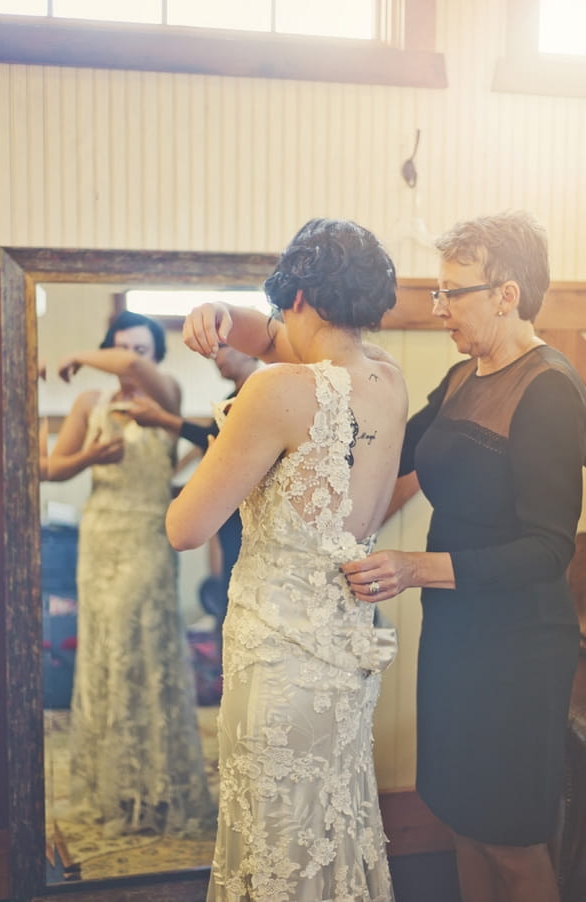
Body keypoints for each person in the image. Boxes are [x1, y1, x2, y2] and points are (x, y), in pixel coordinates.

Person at [341, 211, 586, 902]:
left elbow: (546, 550)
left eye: (453, 292)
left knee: (510, 839)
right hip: (456, 634)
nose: (437, 308)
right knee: (461, 817)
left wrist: (416, 568)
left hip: (517, 648)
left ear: (506, 294)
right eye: (437, 291)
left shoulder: (550, 391)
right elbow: (391, 450)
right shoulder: (460, 376)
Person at [169, 218, 408, 901]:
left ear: (300, 295)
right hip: (341, 658)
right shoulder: (389, 379)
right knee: (329, 830)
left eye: (281, 305)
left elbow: (185, 528)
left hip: (278, 662)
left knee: (274, 844)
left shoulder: (276, 393)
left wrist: (226, 439)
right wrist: (220, 315)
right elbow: (276, 339)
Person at [47, 310, 216, 837]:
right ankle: (112, 785)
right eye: (123, 348)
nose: (130, 360)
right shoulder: (90, 403)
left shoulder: (166, 399)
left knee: (141, 646)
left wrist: (78, 356)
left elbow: (125, 365)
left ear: (155, 358)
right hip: (100, 538)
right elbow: (49, 468)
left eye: (141, 350)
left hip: (147, 537)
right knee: (103, 650)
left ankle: (158, 783)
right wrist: (93, 453)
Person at [126, 345, 259, 625]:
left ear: (249, 350)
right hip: (228, 513)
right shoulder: (233, 396)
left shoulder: (256, 393)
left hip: (245, 515)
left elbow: (214, 438)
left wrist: (162, 419)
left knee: (237, 590)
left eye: (223, 348)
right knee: (228, 588)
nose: (215, 356)